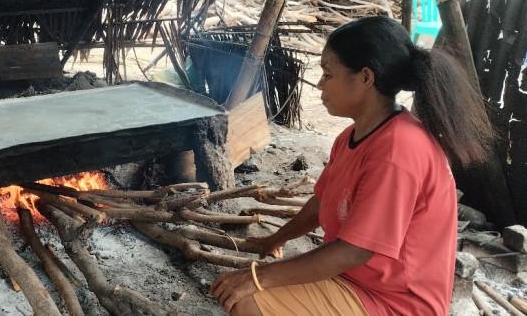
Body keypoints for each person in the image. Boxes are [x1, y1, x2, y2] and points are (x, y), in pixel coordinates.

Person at [210, 16, 494, 316]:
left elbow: (354, 250)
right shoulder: (353, 136)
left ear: (366, 78)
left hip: (396, 302)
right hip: (358, 282)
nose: (320, 84)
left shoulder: (398, 151)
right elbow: (321, 203)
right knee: (248, 288)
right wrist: (276, 239)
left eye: (328, 74)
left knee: (246, 300)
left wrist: (258, 277)